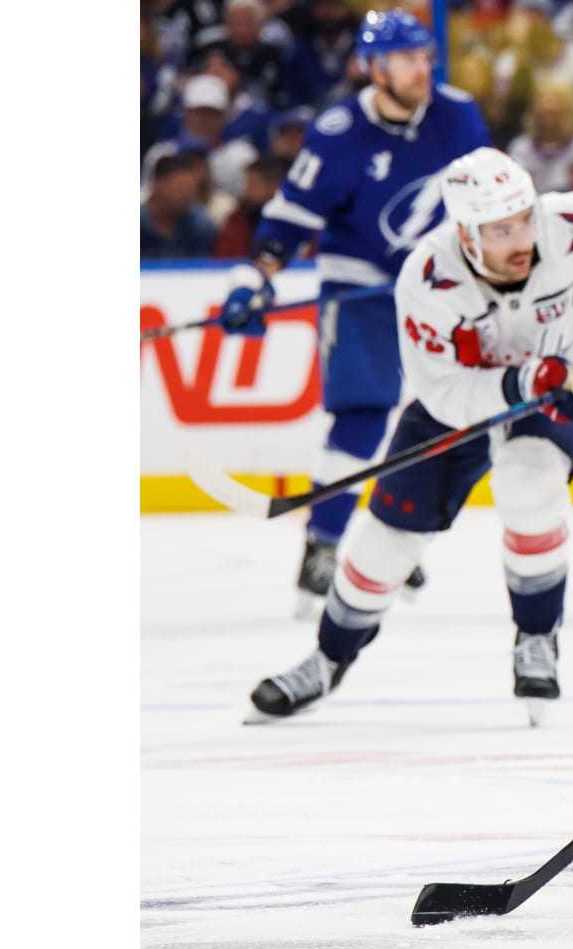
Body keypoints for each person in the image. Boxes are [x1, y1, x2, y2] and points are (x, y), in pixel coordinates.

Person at [248, 147, 573, 725]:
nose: (521, 238)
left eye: (523, 219)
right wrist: (522, 382)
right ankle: (328, 659)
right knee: (386, 542)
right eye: (500, 229)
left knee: (528, 482)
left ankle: (537, 638)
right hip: (475, 398)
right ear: (465, 235)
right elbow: (444, 395)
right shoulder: (428, 279)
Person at [216, 9, 493, 618]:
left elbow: (490, 199)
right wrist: (255, 279)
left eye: (426, 56)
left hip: (441, 284)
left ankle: (392, 537)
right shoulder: (339, 132)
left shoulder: (458, 115)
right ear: (373, 67)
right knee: (364, 416)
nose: (423, 67)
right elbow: (290, 218)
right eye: (408, 58)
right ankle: (325, 540)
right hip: (361, 282)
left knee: (440, 415)